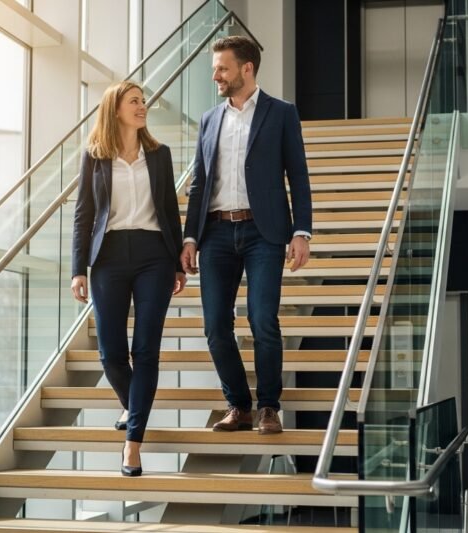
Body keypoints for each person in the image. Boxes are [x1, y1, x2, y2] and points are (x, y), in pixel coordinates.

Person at [180, 36, 312, 435]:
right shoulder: (209, 119)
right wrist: (189, 238)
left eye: (222, 68)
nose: (216, 76)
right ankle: (239, 405)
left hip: (264, 231)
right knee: (216, 325)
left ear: (246, 68)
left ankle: (269, 406)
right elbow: (200, 181)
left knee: (261, 319)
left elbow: (298, 176)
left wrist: (301, 231)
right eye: (215, 69)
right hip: (216, 232)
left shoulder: (281, 113)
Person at [71, 80, 186, 476]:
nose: (142, 106)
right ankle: (132, 402)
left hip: (155, 255)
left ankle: (132, 443)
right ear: (115, 109)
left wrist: (177, 264)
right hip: (109, 258)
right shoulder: (94, 157)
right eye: (134, 101)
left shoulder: (159, 154)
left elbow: (170, 210)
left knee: (146, 350)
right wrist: (77, 270)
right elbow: (84, 215)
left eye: (143, 101)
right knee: (111, 353)